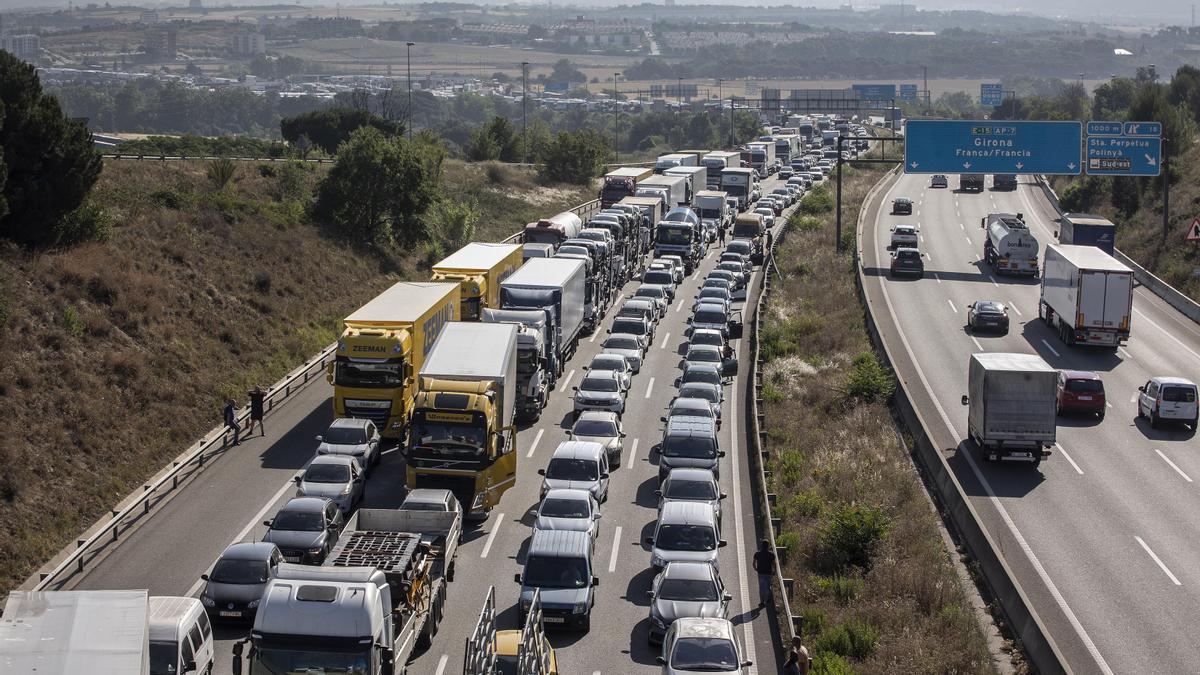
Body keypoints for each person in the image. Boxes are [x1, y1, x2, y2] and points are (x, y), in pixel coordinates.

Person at [752, 539, 776, 608]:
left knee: (761, 588)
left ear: (761, 546)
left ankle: (762, 602)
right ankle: (768, 599)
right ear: (768, 546)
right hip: (769, 573)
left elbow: (753, 563)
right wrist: (774, 571)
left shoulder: (757, 554)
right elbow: (774, 564)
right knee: (768, 587)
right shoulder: (771, 554)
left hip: (761, 573)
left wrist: (756, 569)